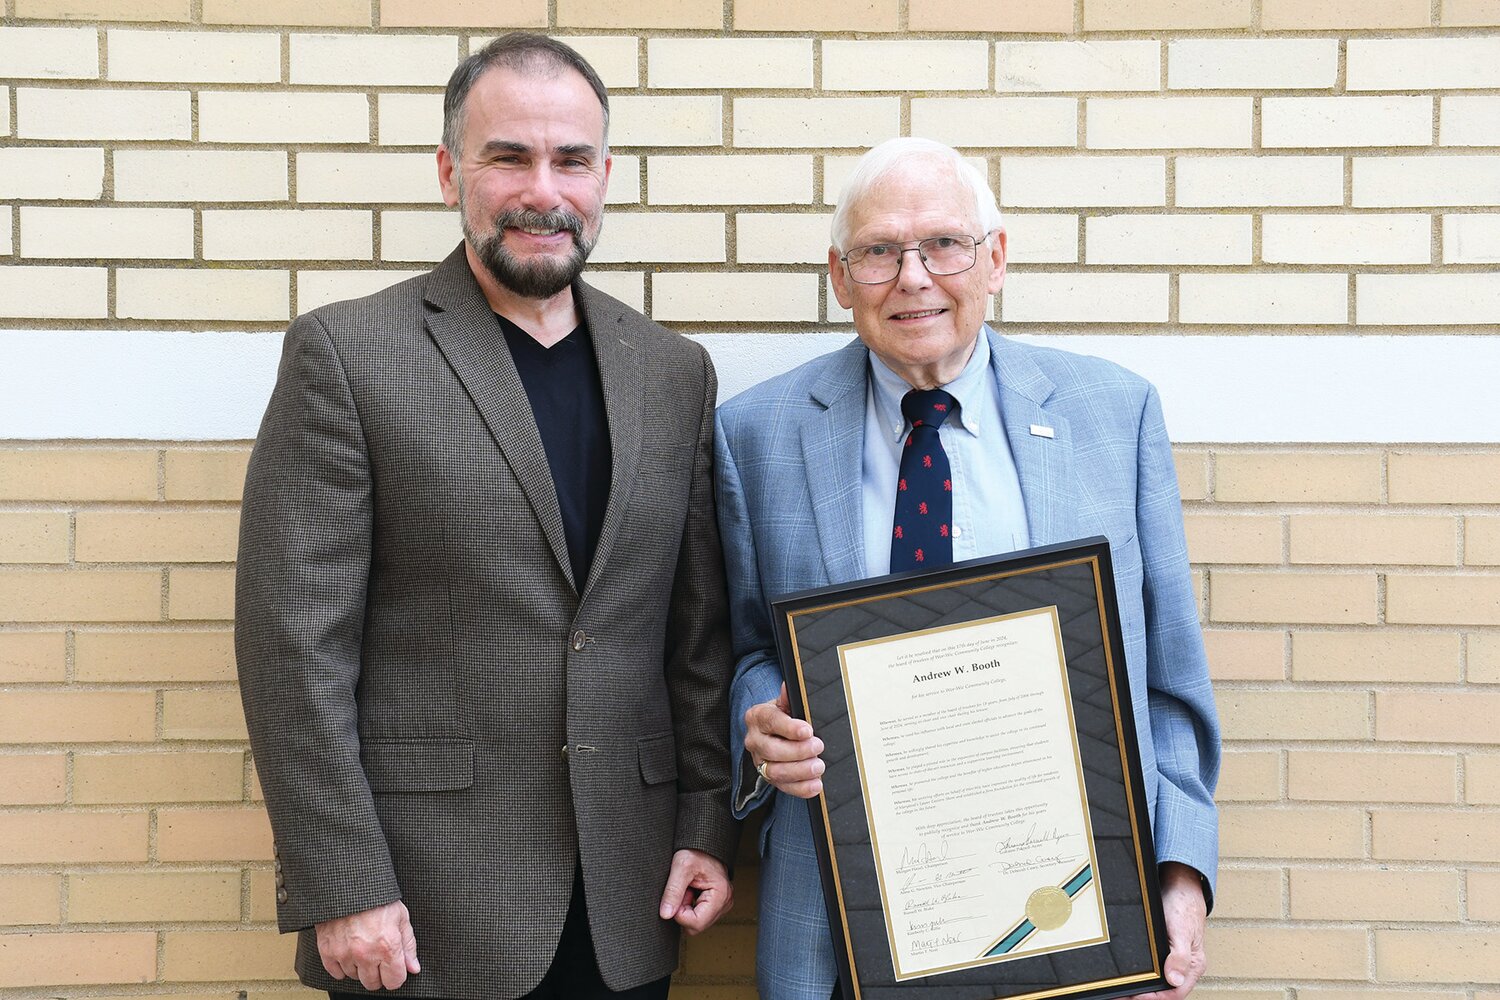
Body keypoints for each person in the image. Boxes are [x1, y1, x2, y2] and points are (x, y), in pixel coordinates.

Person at [236, 33, 737, 1000]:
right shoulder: (349, 354)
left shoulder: (673, 374)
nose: (542, 189)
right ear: (448, 171)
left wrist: (704, 825)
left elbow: (696, 638)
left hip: (631, 897)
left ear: (604, 176)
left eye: (572, 160)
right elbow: (293, 651)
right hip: (424, 911)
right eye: (508, 156)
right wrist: (344, 884)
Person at [715, 137, 1220, 1000]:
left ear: (996, 259)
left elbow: (1167, 680)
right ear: (840, 278)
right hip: (845, 919)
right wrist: (759, 721)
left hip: (1077, 910)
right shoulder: (756, 433)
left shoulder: (1114, 414)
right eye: (879, 252)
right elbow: (743, 650)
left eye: (943, 244)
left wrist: (1178, 874)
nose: (913, 277)